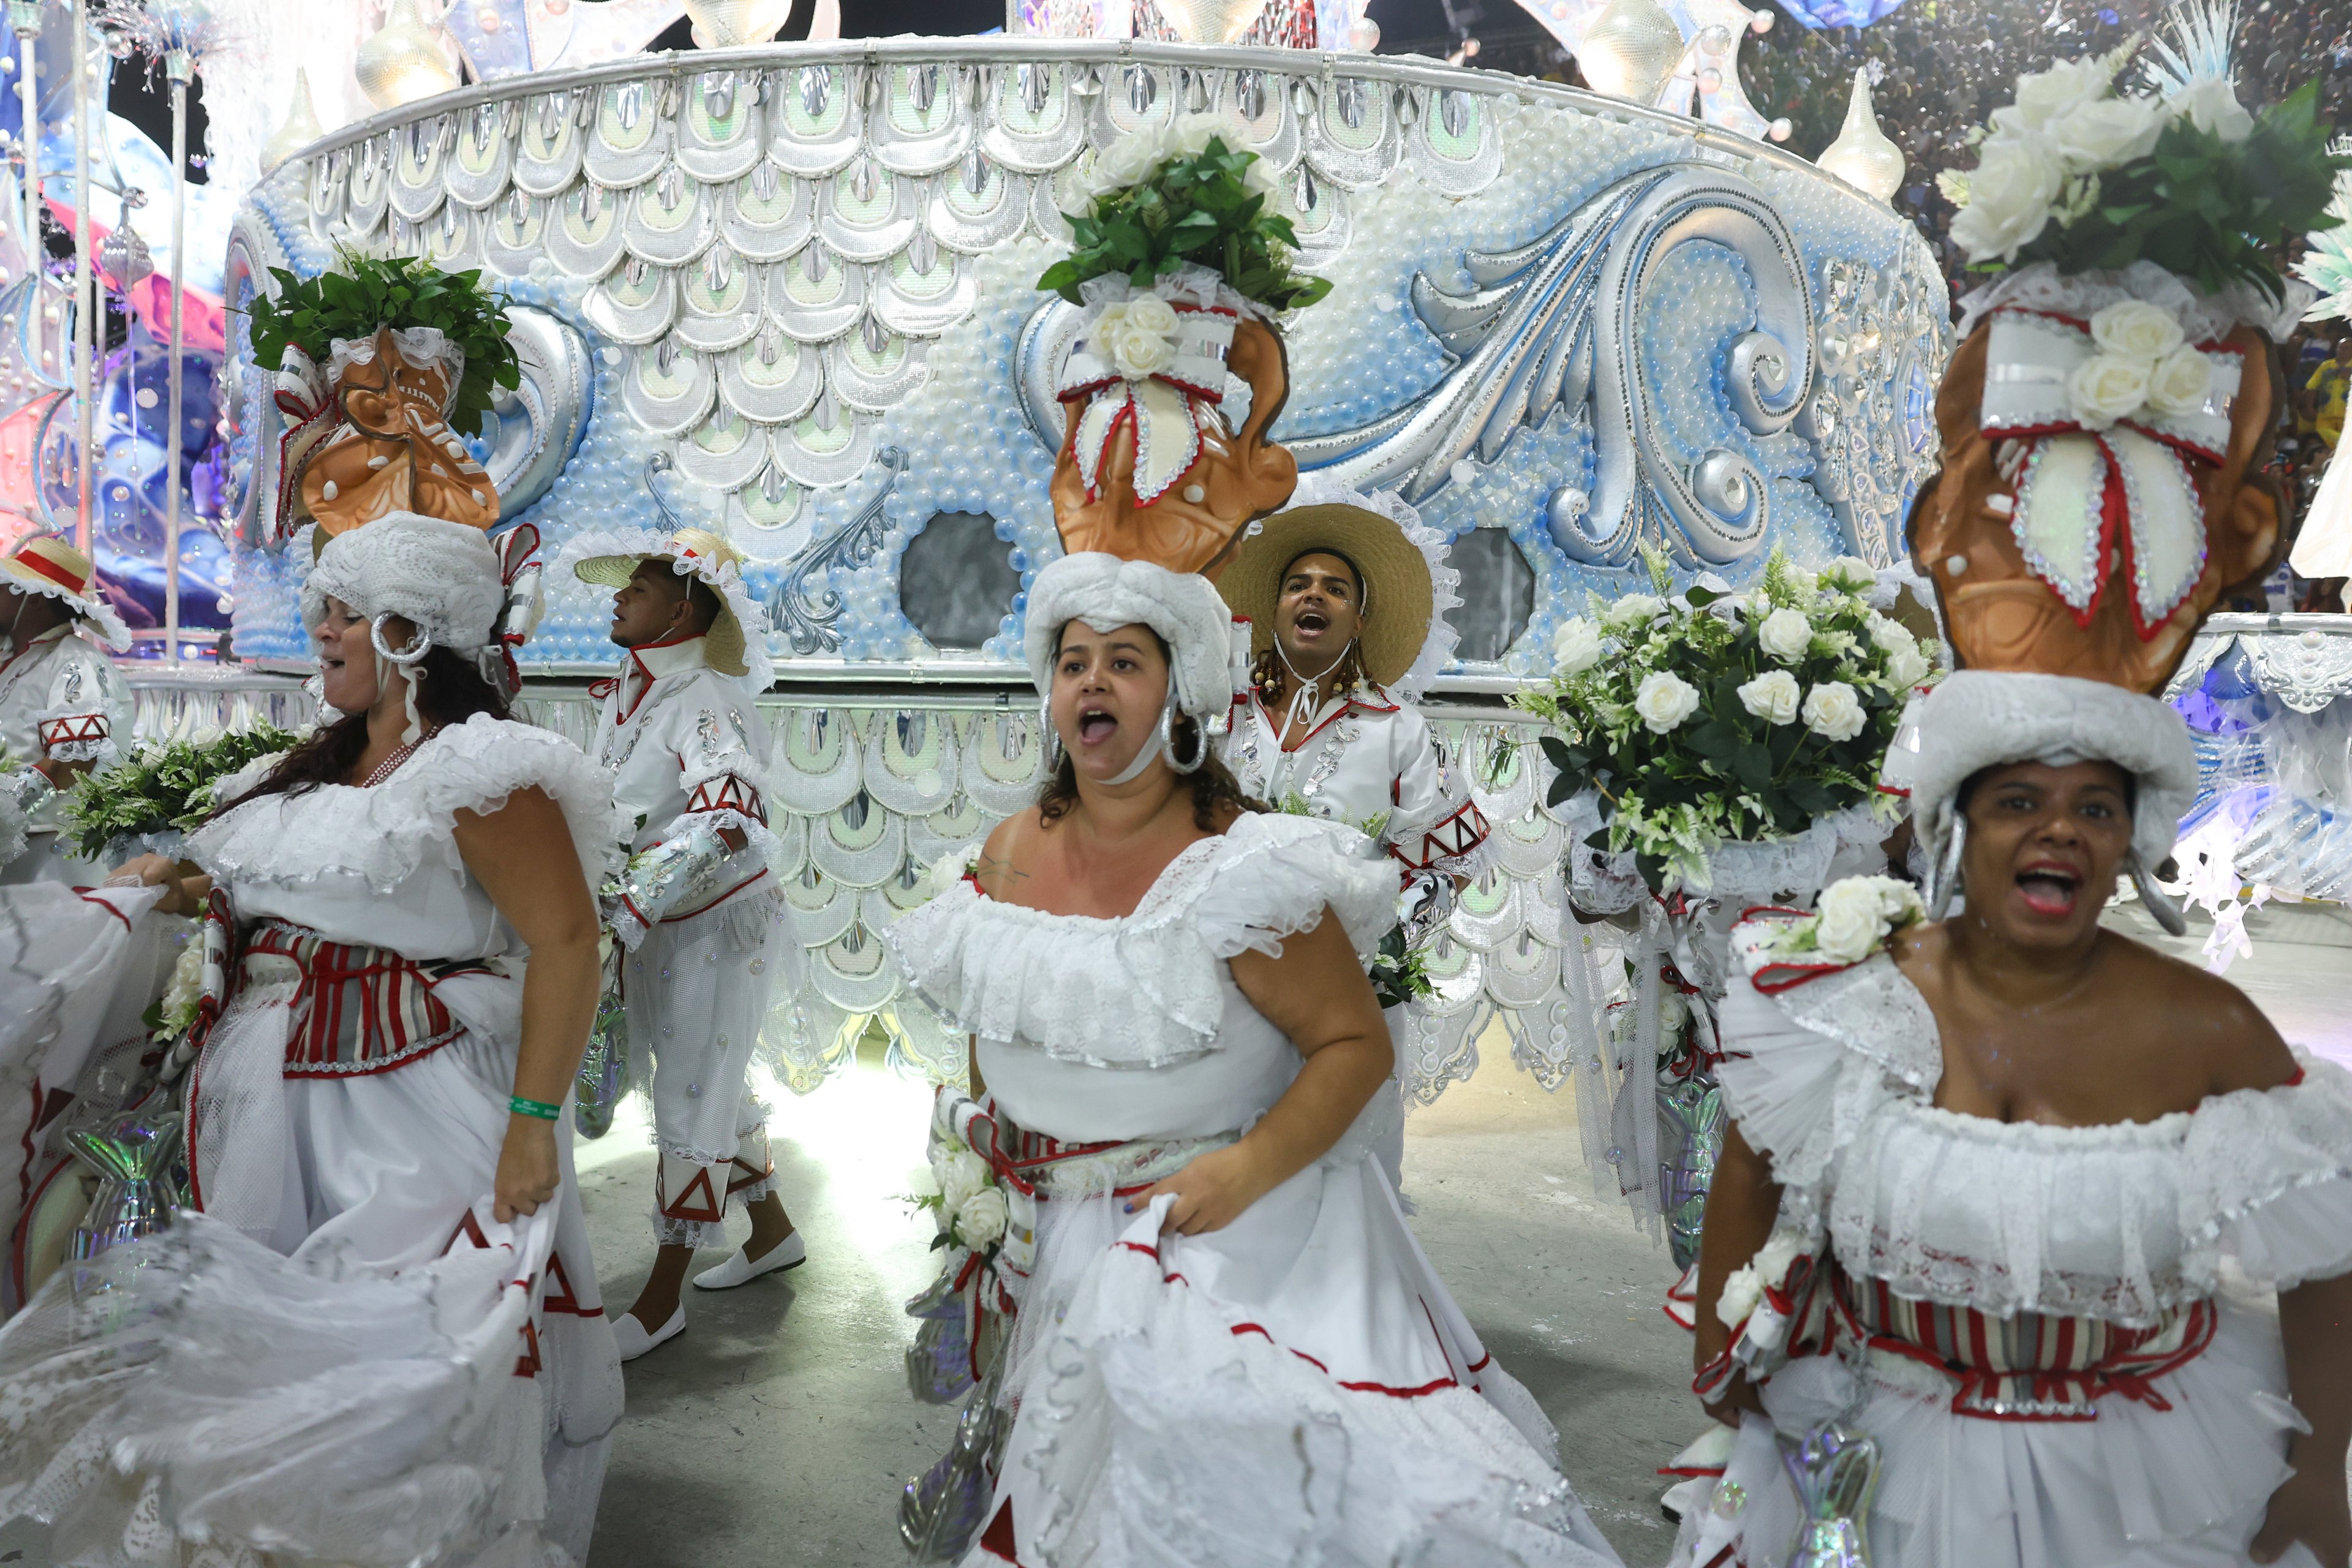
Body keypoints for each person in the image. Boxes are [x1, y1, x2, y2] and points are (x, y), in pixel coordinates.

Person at [885, 551, 1625, 1566]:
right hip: (1046, 1236)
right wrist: (998, 1166)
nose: (1092, 680)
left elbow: (1353, 1045)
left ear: (1183, 695)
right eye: (1073, 662)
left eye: (1125, 663)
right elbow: (1005, 1011)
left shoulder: (1248, 866)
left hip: (1218, 1236)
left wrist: (1242, 1170)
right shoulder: (1013, 845)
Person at [0, 511, 625, 1567]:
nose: (320, 629)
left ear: (410, 631)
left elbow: (568, 943)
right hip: (263, 1113)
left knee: (389, 1380)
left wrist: (530, 1124)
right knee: (255, 1371)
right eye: (321, 610)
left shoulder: (481, 772)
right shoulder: (320, 765)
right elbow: (295, 888)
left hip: (408, 1122)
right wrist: (173, 878)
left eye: (342, 613)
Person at [1672, 669, 2352, 1568]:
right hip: (1867, 1439)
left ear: (2132, 845)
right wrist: (1723, 1359)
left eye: (2098, 810)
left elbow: (2324, 1259)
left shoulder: (2210, 1030)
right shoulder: (1855, 997)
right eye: (2019, 802)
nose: (2061, 829)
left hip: (2142, 1466)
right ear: (1954, 827)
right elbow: (1751, 1164)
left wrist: (2315, 1471)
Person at [557, 524, 807, 1361]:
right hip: (661, 924)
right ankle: (772, 1236)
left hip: (710, 925)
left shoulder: (704, 699)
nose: (620, 595)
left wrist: (629, 904)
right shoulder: (634, 692)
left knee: (691, 1095)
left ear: (686, 605)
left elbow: (730, 821)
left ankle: (660, 1299)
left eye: (641, 585)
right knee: (710, 1080)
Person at [1212, 478, 1494, 1171]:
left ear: (1360, 621)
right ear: (1273, 609)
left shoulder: (1399, 730)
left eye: (1336, 589)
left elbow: (1450, 862)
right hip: (1217, 981)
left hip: (1347, 993)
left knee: (1344, 1169)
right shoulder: (1217, 710)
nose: (1314, 595)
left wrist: (1369, 949)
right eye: (1298, 584)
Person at [0, 534, 135, 884]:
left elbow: (73, 762)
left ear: (35, 600)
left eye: (4, 586)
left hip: (47, 861)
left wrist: (5, 808)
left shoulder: (77, 664)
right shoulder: (15, 657)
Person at [2306, 335, 2352, 450]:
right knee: (2324, 432)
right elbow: (2312, 386)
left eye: (2347, 348)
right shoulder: (2326, 366)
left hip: (2347, 417)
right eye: (2341, 347)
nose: (2343, 350)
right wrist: (2310, 407)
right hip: (2325, 416)